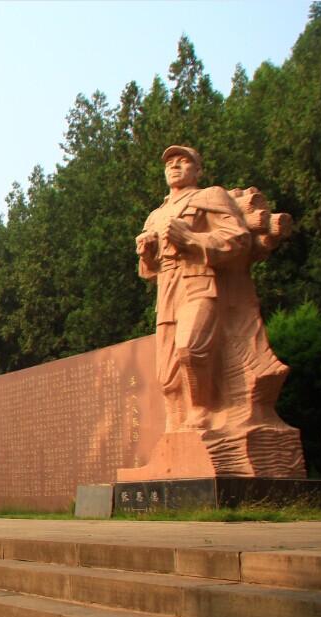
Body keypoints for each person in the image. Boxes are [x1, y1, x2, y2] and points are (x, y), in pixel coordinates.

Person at [136, 146, 251, 432]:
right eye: (169, 163)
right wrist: (147, 254)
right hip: (167, 291)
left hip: (200, 283)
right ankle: (176, 430)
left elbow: (238, 239)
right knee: (166, 374)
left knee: (190, 348)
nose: (174, 166)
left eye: (182, 161)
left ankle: (202, 411)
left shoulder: (209, 196)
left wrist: (190, 239)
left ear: (197, 169)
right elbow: (149, 272)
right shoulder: (155, 216)